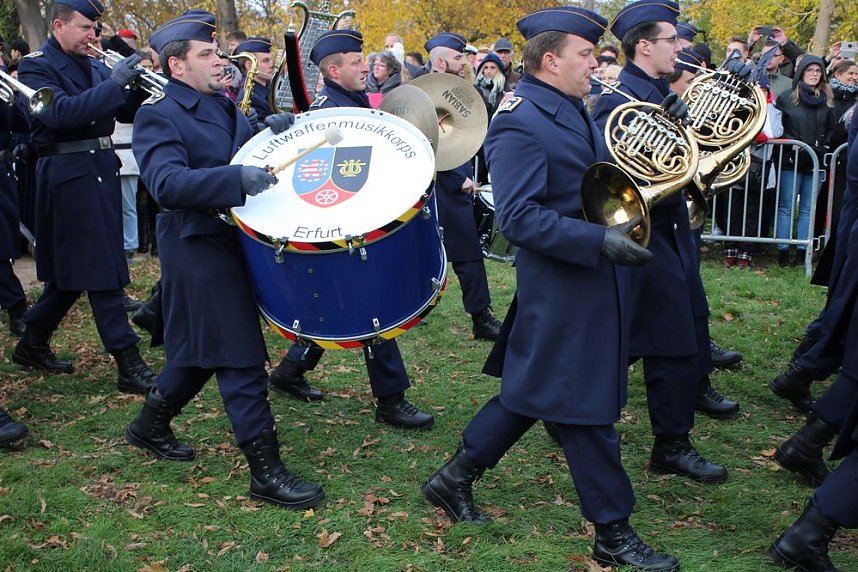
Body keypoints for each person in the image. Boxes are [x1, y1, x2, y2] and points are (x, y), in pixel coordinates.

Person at [422, 8, 681, 571]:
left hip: (585, 282)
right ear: (550, 60)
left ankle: (453, 477)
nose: (597, 63)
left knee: (531, 391)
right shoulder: (520, 120)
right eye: (586, 54)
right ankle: (613, 532)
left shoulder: (564, 106)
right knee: (583, 410)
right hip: (565, 284)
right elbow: (518, 218)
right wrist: (598, 244)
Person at [128, 9, 324, 510]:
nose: (221, 60)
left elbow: (234, 154)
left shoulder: (222, 104)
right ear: (177, 66)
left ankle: (148, 425)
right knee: (238, 355)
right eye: (207, 54)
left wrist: (267, 130)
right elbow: (166, 184)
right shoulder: (158, 113)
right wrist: (234, 180)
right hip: (194, 243)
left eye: (217, 51)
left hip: (232, 237)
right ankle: (266, 472)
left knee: (199, 350)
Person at [266, 30, 435, 431]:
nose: (365, 66)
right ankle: (391, 401)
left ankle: (290, 371)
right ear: (333, 69)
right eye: (356, 62)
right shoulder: (326, 111)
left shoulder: (355, 102)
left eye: (363, 60)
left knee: (334, 305)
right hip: (337, 221)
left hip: (357, 215)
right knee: (373, 310)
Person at [593, 0, 730, 479]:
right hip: (645, 234)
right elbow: (615, 177)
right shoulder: (618, 101)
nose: (681, 47)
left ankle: (669, 439)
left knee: (666, 334)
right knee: (666, 340)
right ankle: (671, 444)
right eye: (672, 40)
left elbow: (682, 164)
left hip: (672, 230)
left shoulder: (658, 91)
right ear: (644, 46)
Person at [14, 0, 157, 394]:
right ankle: (129, 362)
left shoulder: (93, 61)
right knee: (101, 271)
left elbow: (121, 112)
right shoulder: (36, 65)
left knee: (68, 277)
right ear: (58, 25)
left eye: (95, 28)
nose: (92, 36)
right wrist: (114, 83)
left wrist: (134, 83)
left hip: (98, 170)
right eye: (84, 28)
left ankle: (31, 343)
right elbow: (60, 114)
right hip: (66, 173)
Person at [426, 32, 504, 341]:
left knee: (469, 255)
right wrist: (459, 180)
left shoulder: (459, 90)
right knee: (423, 255)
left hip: (456, 184)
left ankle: (481, 316)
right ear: (441, 61)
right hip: (437, 187)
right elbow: (425, 147)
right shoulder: (418, 94)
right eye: (459, 58)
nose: (466, 62)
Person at [774, 55, 836, 267]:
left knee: (809, 208)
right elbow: (780, 127)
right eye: (810, 70)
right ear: (801, 72)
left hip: (815, 162)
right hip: (791, 160)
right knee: (786, 206)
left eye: (817, 71)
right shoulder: (786, 98)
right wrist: (794, 144)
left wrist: (823, 146)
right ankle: (783, 252)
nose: (814, 74)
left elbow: (831, 128)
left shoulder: (827, 100)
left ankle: (802, 252)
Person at [0, 98, 28, 338]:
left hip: (3, 169)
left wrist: (13, 99)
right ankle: (16, 308)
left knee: (5, 241)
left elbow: (23, 123)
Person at [233, 37, 275, 122]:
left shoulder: (270, 87)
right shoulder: (248, 98)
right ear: (249, 65)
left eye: (271, 59)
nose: (272, 64)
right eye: (265, 60)